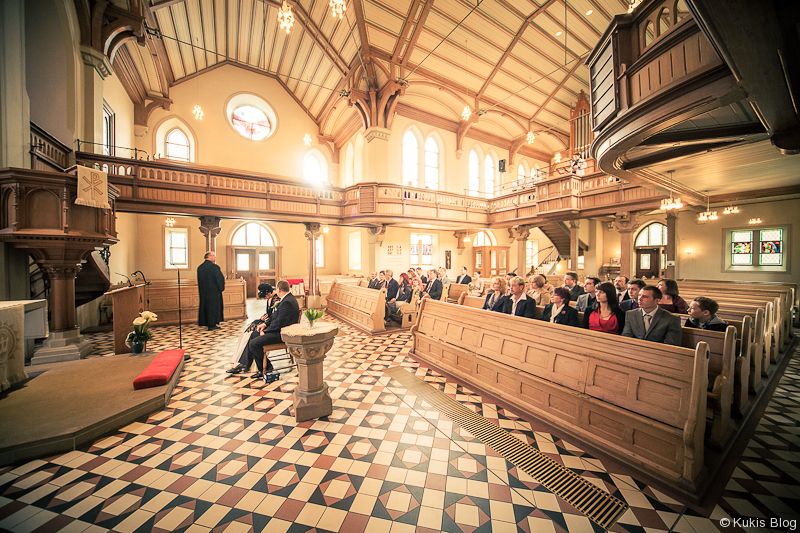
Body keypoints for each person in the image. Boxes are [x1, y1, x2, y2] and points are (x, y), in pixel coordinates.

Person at [251, 280, 301, 382]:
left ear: (279, 289)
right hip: (279, 330)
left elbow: (279, 323)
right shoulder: (286, 299)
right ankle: (261, 367)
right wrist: (265, 324)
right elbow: (275, 316)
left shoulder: (287, 302)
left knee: (253, 344)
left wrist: (266, 332)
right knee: (255, 334)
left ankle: (267, 369)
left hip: (283, 334)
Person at [227, 284, 279, 374]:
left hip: (272, 327)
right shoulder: (270, 298)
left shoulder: (276, 299)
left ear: (269, 292)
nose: (266, 298)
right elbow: (270, 314)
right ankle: (242, 362)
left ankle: (244, 364)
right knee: (247, 333)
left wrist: (264, 325)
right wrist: (264, 317)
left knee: (252, 335)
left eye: (265, 296)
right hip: (267, 323)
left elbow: (276, 317)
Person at [197, 251, 225, 330]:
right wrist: (221, 288)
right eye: (214, 256)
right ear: (209, 256)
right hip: (214, 292)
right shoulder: (214, 267)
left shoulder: (200, 267)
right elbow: (219, 279)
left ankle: (207, 323)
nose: (215, 257)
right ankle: (212, 325)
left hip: (203, 292)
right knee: (213, 308)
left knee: (205, 307)